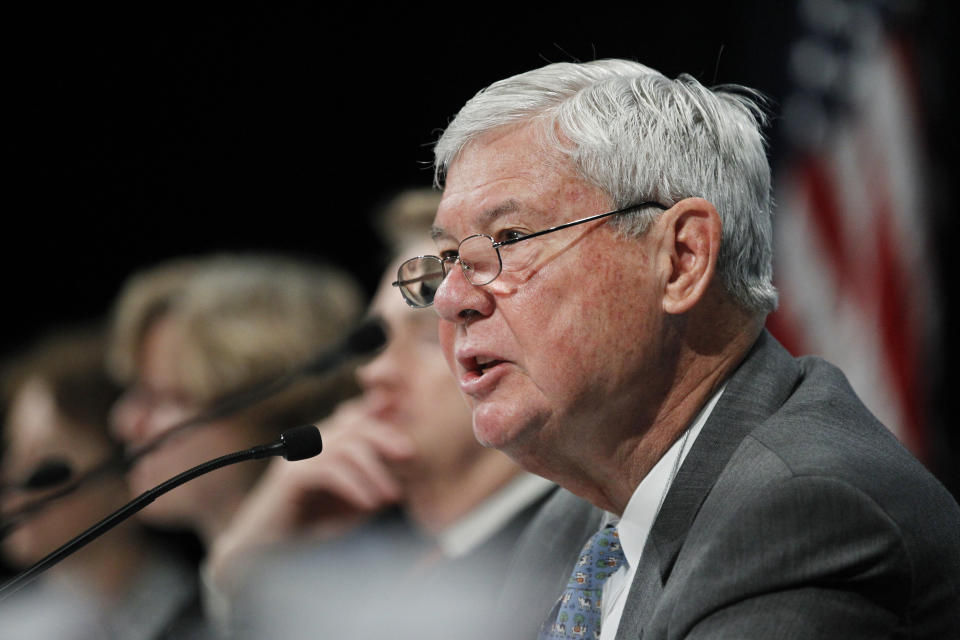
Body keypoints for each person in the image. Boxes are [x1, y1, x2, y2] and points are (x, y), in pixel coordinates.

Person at [391, 59, 960, 638]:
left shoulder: (800, 514)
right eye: (448, 259)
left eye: (508, 240)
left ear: (682, 259)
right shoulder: (570, 524)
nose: (452, 298)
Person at [205, 189, 555, 639]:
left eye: (429, 338)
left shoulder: (570, 556)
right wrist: (246, 569)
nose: (375, 373)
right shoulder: (379, 556)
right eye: (378, 343)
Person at [106, 253, 364, 632]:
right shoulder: (179, 621)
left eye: (163, 398)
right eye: (133, 392)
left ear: (269, 406)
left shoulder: (370, 596)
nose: (125, 423)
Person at [0, 328, 196, 639]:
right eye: (14, 450)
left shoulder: (205, 613)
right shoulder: (11, 623)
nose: (13, 479)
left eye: (48, 458)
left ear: (125, 469)